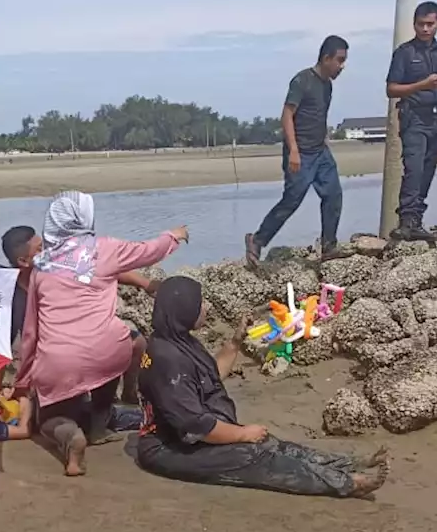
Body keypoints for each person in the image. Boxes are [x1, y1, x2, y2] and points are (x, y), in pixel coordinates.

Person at [136, 277, 387, 497]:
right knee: (252, 456)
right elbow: (195, 425)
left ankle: (347, 465)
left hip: (190, 436)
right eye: (199, 303)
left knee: (269, 443)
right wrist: (243, 434)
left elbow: (207, 380)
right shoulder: (167, 359)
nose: (205, 307)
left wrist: (235, 342)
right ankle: (346, 484)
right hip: (167, 449)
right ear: (183, 309)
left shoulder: (178, 341)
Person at [14, 192, 186, 475]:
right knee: (113, 354)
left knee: (48, 418)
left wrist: (22, 379)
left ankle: (70, 438)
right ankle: (99, 423)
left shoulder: (41, 266)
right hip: (107, 350)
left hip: (58, 361)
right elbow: (148, 251)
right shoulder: (105, 248)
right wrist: (174, 236)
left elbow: (31, 332)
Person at [0, 223, 159, 402]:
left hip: (86, 335)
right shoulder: (11, 298)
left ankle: (128, 393)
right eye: (40, 249)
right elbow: (2, 346)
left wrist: (145, 284)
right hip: (53, 357)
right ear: (23, 261)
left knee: (136, 343)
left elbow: (102, 268)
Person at [246, 35, 349, 268]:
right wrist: (293, 150)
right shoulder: (302, 81)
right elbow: (287, 115)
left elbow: (319, 115)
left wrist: (324, 140)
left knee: (333, 195)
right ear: (326, 58)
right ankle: (257, 239)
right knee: (292, 200)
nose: (342, 66)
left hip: (320, 152)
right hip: (300, 153)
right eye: (339, 60)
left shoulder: (327, 86)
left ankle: (329, 245)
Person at [385, 2, 437, 242]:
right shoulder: (404, 53)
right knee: (414, 167)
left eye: (430, 24)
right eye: (421, 24)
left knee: (428, 169)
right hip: (414, 116)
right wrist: (422, 84)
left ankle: (417, 219)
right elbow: (391, 89)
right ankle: (406, 220)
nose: (425, 29)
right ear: (414, 24)